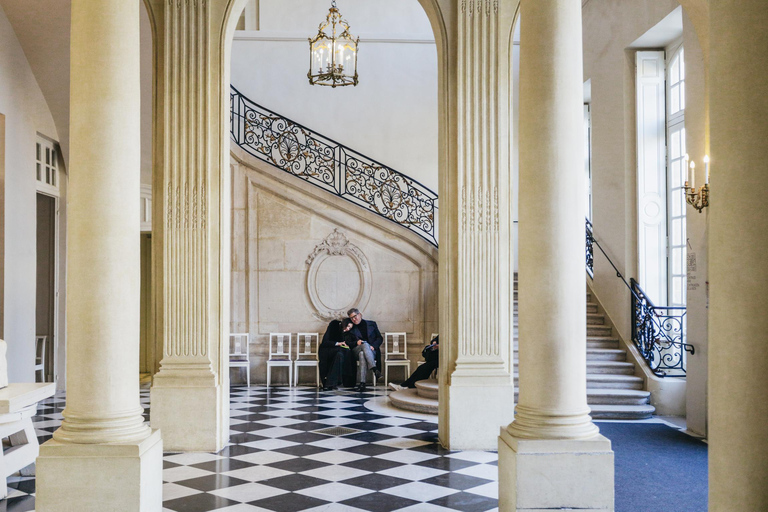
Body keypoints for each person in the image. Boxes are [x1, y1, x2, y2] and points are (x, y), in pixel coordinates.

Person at [347, 308, 383, 392]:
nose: (354, 319)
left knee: (362, 354)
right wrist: (356, 342)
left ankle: (362, 383)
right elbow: (348, 342)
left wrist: (374, 346)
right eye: (351, 318)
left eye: (355, 316)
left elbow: (380, 338)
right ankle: (374, 369)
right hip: (356, 350)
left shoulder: (372, 324)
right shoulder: (350, 327)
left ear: (360, 315)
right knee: (365, 344)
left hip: (371, 350)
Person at [318, 319, 352, 391]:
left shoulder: (346, 333)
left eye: (350, 328)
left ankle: (330, 383)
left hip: (337, 351)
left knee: (340, 355)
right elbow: (325, 342)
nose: (348, 329)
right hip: (326, 350)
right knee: (341, 354)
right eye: (348, 326)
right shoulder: (334, 325)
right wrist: (338, 343)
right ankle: (332, 382)